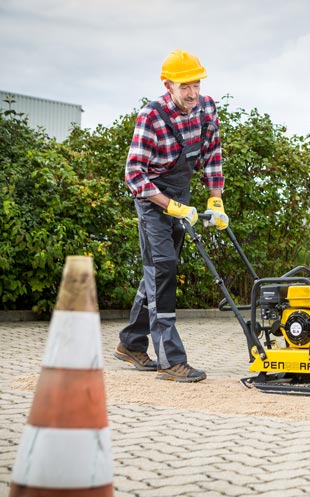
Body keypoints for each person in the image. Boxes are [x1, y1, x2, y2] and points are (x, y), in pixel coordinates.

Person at [114, 49, 229, 383]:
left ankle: (131, 343)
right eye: (184, 86)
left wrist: (215, 199)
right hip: (152, 199)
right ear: (168, 85)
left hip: (181, 192)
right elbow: (134, 175)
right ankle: (171, 360)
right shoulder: (151, 117)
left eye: (196, 83)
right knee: (163, 267)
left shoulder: (206, 108)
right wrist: (169, 204)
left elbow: (212, 154)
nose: (192, 93)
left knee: (159, 270)